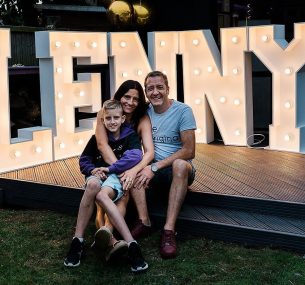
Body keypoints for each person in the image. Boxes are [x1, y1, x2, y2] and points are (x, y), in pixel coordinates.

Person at [64, 99, 148, 273]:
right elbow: (84, 160)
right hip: (97, 176)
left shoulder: (129, 136)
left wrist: (110, 168)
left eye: (116, 117)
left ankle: (132, 244)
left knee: (102, 195)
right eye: (108, 118)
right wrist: (93, 169)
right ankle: (77, 241)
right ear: (102, 120)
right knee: (93, 186)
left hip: (114, 177)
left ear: (123, 118)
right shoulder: (96, 139)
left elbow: (135, 156)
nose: (112, 121)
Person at [130, 71, 197, 259]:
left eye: (160, 87)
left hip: (178, 171)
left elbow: (190, 150)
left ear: (168, 89)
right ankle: (144, 222)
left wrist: (154, 167)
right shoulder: (143, 112)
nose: (155, 92)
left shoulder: (183, 110)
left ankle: (168, 231)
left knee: (180, 165)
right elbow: (118, 109)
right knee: (134, 165)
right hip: (153, 172)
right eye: (150, 88)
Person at [94, 80, 154, 234]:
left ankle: (109, 231)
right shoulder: (106, 112)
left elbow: (149, 152)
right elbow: (102, 145)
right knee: (104, 193)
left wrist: (133, 171)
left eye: (136, 99)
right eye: (127, 97)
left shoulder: (142, 118)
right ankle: (105, 232)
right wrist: (119, 171)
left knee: (124, 192)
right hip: (106, 163)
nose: (131, 102)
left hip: (131, 163)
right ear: (119, 96)